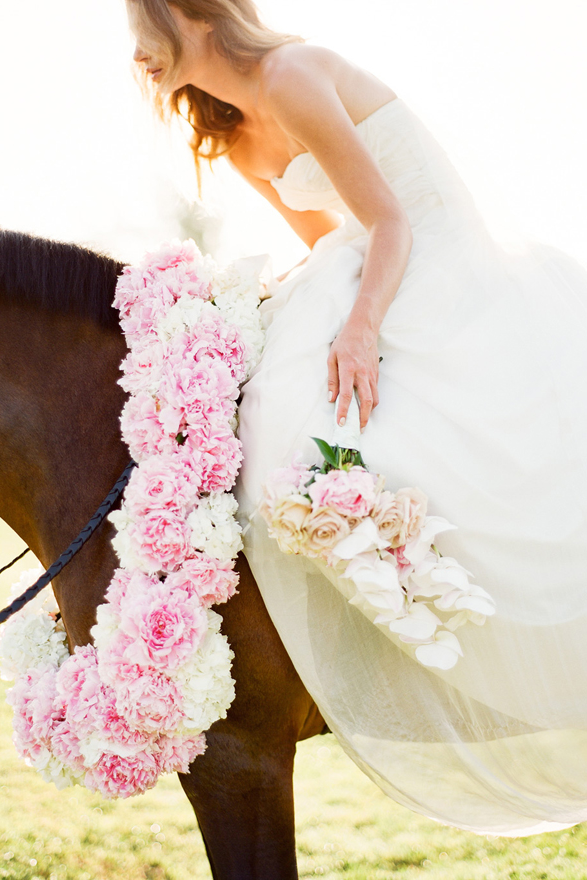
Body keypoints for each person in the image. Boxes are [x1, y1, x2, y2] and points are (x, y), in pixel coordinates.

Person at [127, 0, 587, 835]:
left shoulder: (295, 73)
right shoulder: (227, 131)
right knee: (281, 387)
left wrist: (362, 327)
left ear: (191, 15)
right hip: (363, 261)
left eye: (139, 24)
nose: (133, 50)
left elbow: (389, 220)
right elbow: (320, 236)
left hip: (436, 261)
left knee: (393, 414)